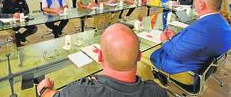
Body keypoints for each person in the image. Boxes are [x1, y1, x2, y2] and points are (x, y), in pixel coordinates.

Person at [37, 23, 168, 97]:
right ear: (139, 56)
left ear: (99, 57)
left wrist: (44, 90)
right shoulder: (159, 92)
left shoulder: (80, 91)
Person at [138, 0, 231, 85]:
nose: (194, 3)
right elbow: (197, 44)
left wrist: (165, 41)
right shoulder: (224, 24)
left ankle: (156, 85)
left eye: (196, 0)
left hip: (185, 72)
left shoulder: (201, 29)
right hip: (199, 64)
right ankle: (159, 77)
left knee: (140, 54)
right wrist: (175, 37)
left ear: (201, 5)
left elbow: (175, 54)